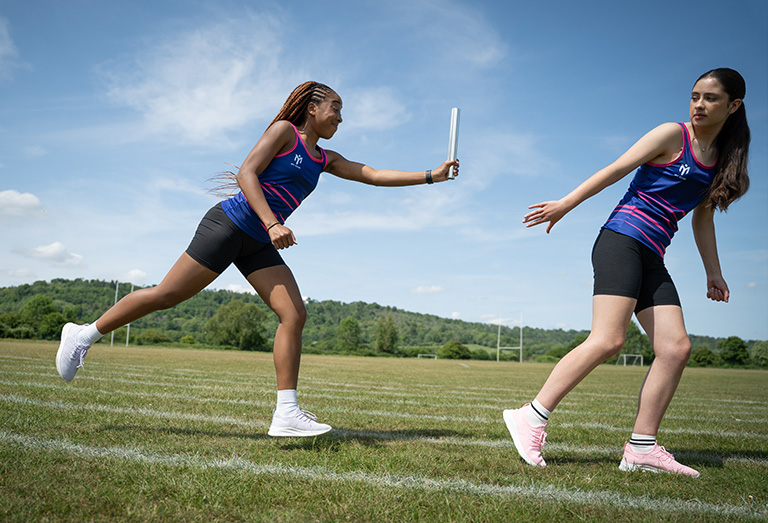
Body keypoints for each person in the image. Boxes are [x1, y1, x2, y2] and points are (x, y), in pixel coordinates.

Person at [56, 81, 459, 437]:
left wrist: (431, 175)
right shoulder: (284, 132)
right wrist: (271, 224)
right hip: (231, 226)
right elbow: (247, 173)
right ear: (312, 109)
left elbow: (371, 173)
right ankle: (83, 335)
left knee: (293, 314)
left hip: (259, 240)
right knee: (166, 296)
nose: (341, 117)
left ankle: (286, 413)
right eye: (335, 107)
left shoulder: (326, 159)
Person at [506, 68, 750, 477]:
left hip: (653, 253)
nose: (699, 105)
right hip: (621, 240)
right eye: (694, 96)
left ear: (733, 106)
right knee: (608, 339)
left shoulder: (722, 160)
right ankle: (530, 416)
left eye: (710, 98)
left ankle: (641, 448)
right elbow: (616, 169)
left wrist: (714, 272)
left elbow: (702, 220)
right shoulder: (672, 134)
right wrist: (566, 203)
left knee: (676, 348)